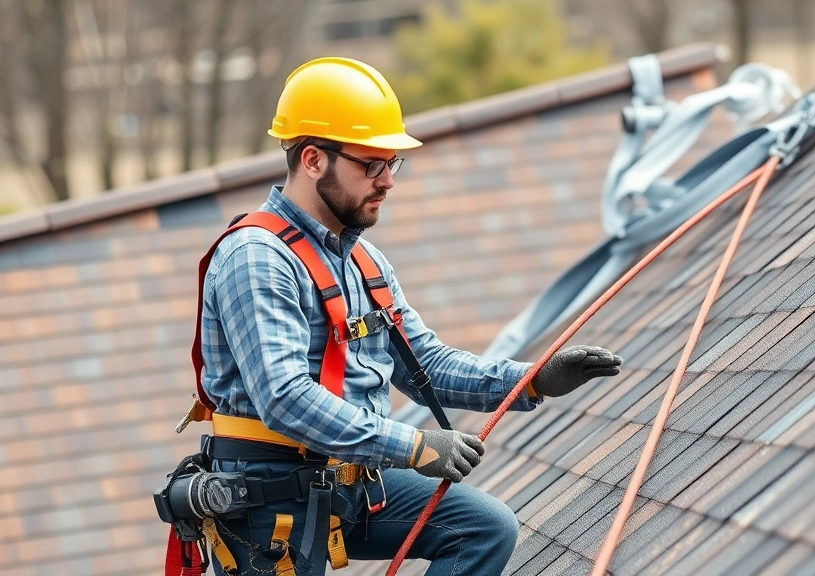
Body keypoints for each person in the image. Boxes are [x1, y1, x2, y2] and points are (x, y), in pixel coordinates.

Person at [198, 57, 622, 576]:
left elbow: (425, 364)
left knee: (483, 530)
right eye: (371, 164)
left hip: (349, 483)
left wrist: (532, 381)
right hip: (270, 501)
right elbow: (285, 399)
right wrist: (414, 446)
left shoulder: (362, 262)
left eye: (392, 164)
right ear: (313, 159)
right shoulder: (257, 259)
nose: (387, 181)